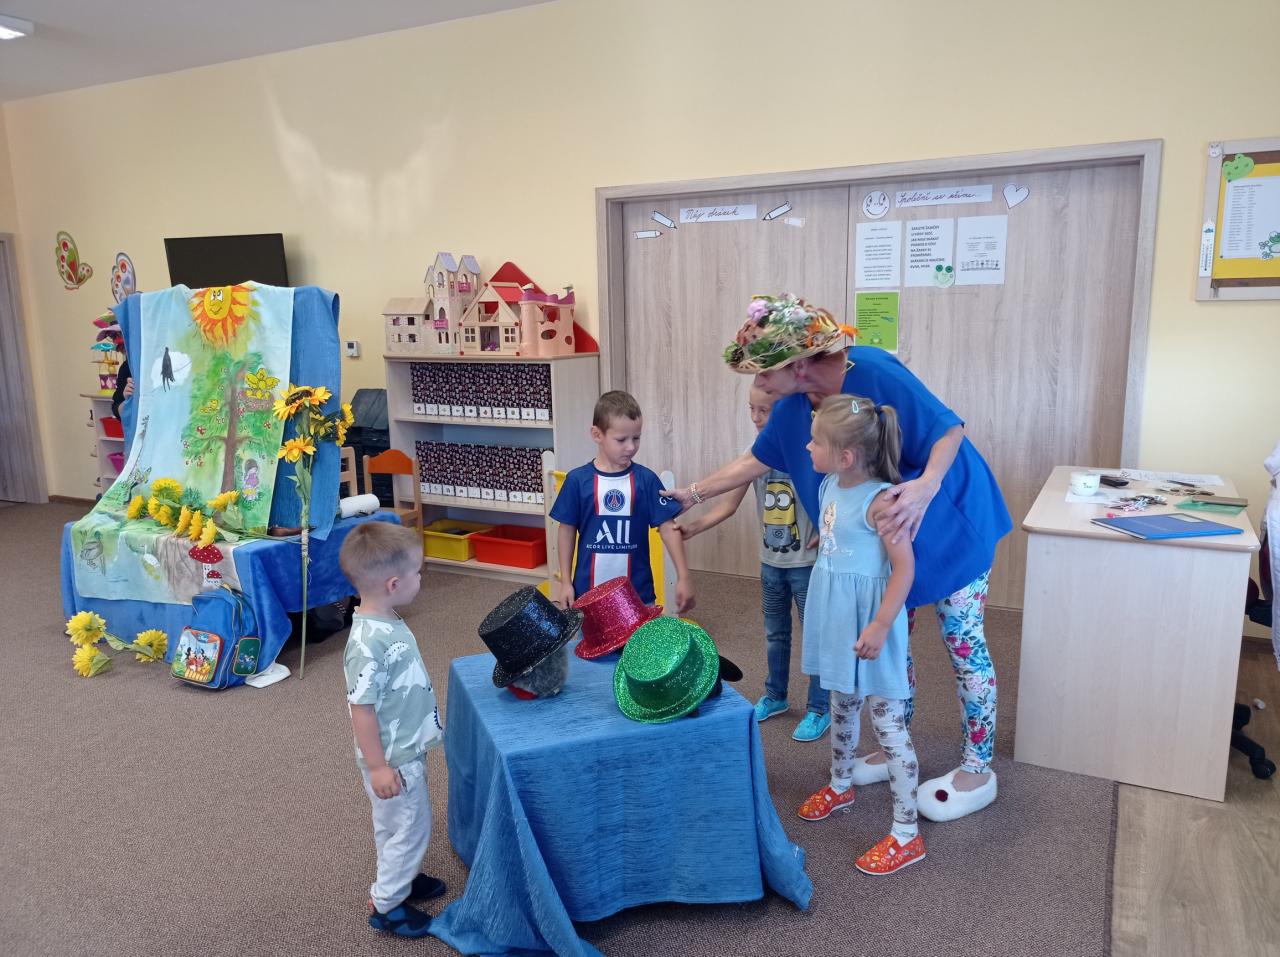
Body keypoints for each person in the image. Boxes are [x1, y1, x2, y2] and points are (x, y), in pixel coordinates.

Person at [665, 294, 1011, 821]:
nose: (759, 384)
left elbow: (948, 429)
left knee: (963, 644)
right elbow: (755, 461)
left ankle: (977, 765)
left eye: (765, 373)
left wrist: (925, 487)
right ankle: (896, 742)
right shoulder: (792, 407)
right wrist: (692, 494)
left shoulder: (872, 371)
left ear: (798, 365)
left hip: (949, 519)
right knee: (891, 644)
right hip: (881, 539)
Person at [795, 394, 925, 875]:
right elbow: (838, 527)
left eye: (815, 441)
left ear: (846, 455)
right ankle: (841, 785)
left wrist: (881, 624)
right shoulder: (830, 483)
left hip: (872, 624)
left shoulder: (883, 502)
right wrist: (826, 539)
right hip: (837, 617)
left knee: (888, 726)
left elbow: (904, 569)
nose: (808, 447)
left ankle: (907, 834)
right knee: (841, 703)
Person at [678, 382, 829, 741]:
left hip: (806, 564)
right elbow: (728, 505)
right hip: (770, 562)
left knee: (815, 637)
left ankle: (820, 707)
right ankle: (776, 695)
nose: (757, 418)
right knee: (775, 633)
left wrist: (828, 530)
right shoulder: (754, 454)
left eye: (765, 410)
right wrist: (693, 528)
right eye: (752, 409)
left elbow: (835, 494)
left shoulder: (813, 450)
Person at [338, 522, 445, 938]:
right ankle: (387, 905)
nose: (421, 579)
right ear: (394, 584)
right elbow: (361, 709)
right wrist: (380, 767)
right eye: (418, 572)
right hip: (393, 758)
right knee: (411, 825)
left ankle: (403, 878)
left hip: (402, 749)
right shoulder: (368, 643)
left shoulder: (384, 618)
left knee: (393, 824)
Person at [550, 390, 695, 615]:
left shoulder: (646, 480)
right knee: (589, 639)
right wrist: (566, 582)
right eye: (621, 440)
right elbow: (566, 531)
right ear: (597, 435)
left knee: (639, 640)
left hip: (638, 594)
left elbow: (669, 528)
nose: (630, 447)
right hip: (587, 594)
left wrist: (684, 576)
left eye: (636, 438)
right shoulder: (577, 481)